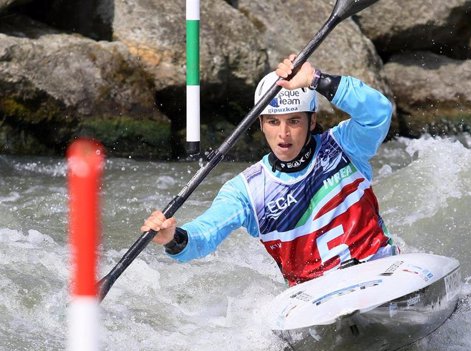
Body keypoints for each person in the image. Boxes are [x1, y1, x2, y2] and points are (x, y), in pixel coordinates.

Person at [141, 54, 397, 286]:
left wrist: (318, 80)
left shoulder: (345, 146)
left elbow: (378, 113)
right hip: (316, 298)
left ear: (312, 120)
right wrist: (173, 237)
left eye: (294, 121)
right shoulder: (247, 191)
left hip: (378, 270)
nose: (283, 134)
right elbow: (205, 234)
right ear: (261, 124)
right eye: (273, 122)